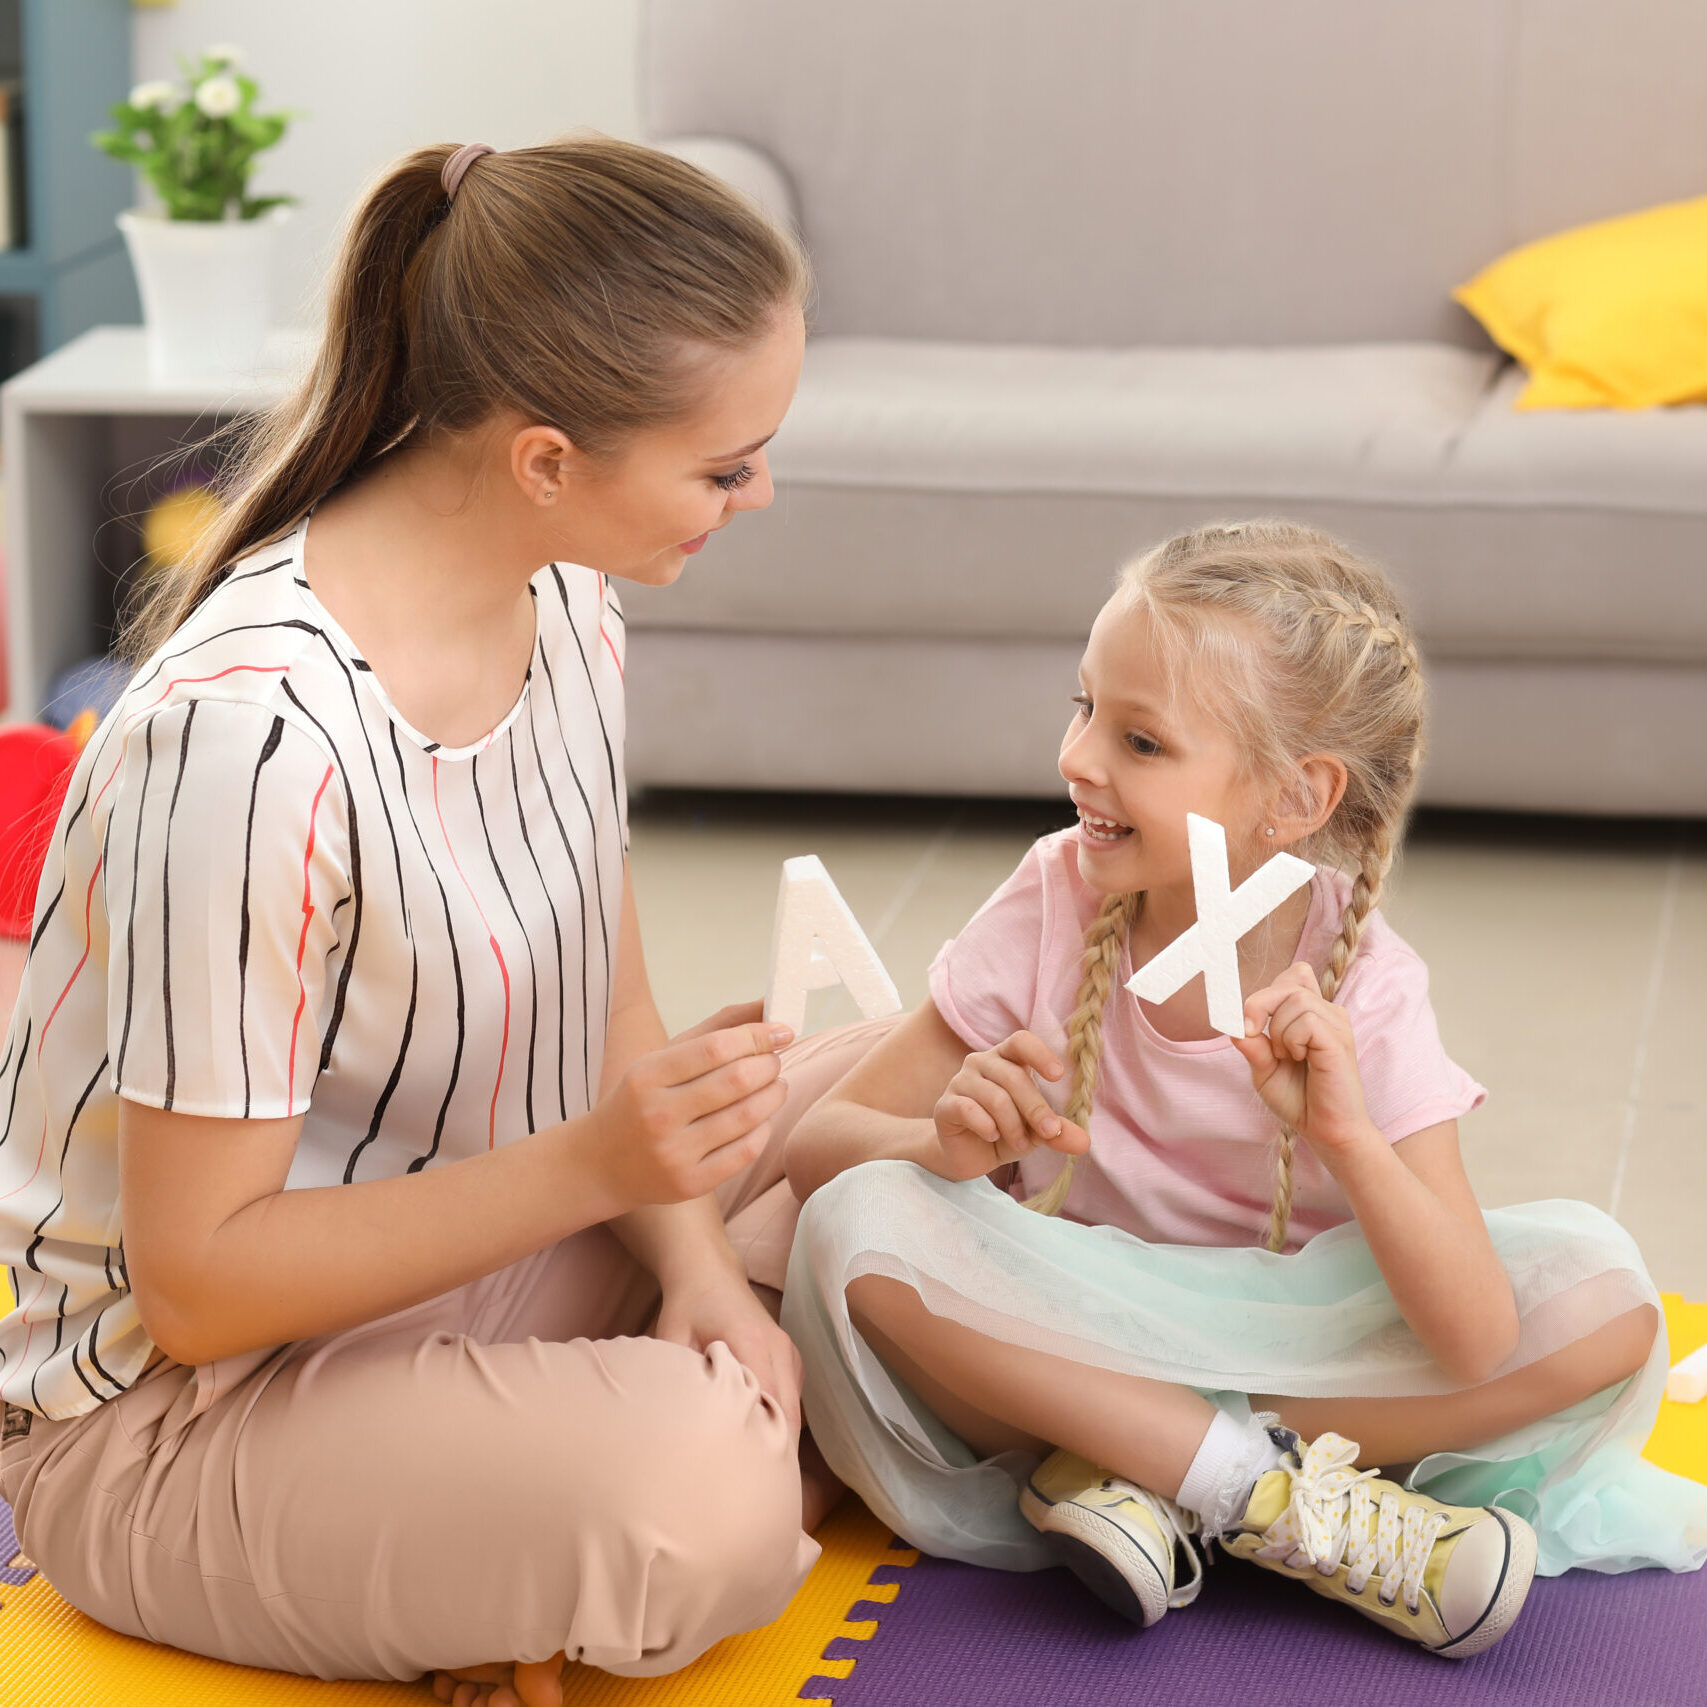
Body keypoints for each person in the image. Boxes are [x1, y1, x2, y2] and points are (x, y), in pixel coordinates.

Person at [0, 136, 857, 1707]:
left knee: (897, 1123)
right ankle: (567, 1515)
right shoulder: (251, 744)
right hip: (183, 1408)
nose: (759, 491)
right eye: (725, 464)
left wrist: (697, 1270)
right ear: (547, 457)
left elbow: (611, 1012)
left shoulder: (565, 593)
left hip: (463, 1245)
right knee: (702, 1491)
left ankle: (525, 1525)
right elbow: (199, 1288)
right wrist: (609, 1175)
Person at [782, 520, 1707, 1659]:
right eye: (1083, 708)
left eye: (1141, 740)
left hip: (1288, 1354)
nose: (1079, 758)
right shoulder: (1052, 895)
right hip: (1070, 1327)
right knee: (853, 1223)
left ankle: (1141, 1466)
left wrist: (1350, 1138)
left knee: (1605, 1296)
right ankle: (1268, 1502)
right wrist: (944, 1145)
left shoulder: (1365, 983)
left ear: (1296, 795)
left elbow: (1473, 1336)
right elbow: (818, 1145)